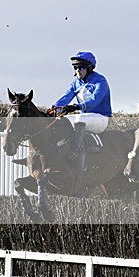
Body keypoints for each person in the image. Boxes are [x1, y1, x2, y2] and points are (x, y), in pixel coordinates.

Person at [48, 51, 112, 187]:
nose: (78, 71)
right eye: (75, 68)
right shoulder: (76, 83)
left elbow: (95, 101)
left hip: (100, 118)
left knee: (76, 119)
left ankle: (74, 152)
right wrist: (55, 108)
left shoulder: (100, 81)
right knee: (61, 120)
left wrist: (75, 107)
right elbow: (66, 97)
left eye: (81, 67)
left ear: (89, 68)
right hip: (85, 117)